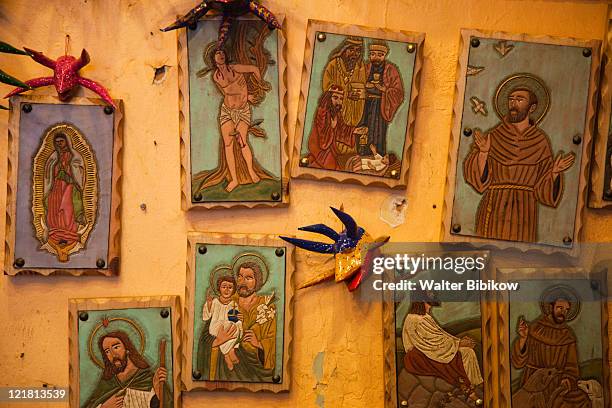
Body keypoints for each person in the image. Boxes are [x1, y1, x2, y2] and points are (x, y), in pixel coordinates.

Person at [463, 85, 575, 242]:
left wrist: (555, 172)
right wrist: (483, 153)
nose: (513, 103)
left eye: (519, 99)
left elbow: (544, 191)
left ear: (532, 107)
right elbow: (477, 180)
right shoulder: (494, 135)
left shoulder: (540, 141)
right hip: (494, 204)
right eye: (511, 99)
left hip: (524, 210)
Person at [196, 47, 274, 194]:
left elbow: (254, 69)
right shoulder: (216, 77)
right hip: (227, 111)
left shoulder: (235, 68)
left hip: (243, 110)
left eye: (222, 52)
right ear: (213, 59)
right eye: (217, 53)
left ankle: (251, 172)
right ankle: (234, 179)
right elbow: (225, 92)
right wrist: (242, 95)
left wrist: (258, 85)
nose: (221, 54)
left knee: (242, 141)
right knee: (228, 144)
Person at [197, 261, 276, 381]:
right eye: (240, 276)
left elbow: (275, 342)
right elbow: (204, 339)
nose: (242, 282)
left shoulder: (267, 306)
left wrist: (259, 344)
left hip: (255, 372)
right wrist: (218, 340)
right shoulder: (226, 300)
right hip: (224, 372)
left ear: (258, 281)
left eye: (248, 278)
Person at [402, 291, 483, 405]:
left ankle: (474, 383)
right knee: (466, 353)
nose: (430, 307)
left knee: (468, 351)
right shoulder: (415, 319)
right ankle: (468, 385)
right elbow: (432, 342)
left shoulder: (424, 317)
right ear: (421, 302)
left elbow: (440, 336)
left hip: (433, 351)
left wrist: (459, 342)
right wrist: (459, 344)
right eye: (428, 303)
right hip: (421, 356)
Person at [511, 293, 591, 407]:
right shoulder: (534, 329)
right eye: (560, 308)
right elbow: (518, 363)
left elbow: (572, 368)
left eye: (566, 310)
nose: (563, 312)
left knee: (583, 401)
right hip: (535, 383)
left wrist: (567, 381)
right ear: (550, 307)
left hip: (558, 384)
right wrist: (523, 338)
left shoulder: (568, 336)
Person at [82, 331, 172, 408]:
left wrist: (158, 390)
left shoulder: (148, 378)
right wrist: (104, 407)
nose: (112, 354)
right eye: (107, 351)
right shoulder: (107, 383)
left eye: (116, 347)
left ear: (127, 348)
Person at [357, 40, 404, 156]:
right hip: (365, 104)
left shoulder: (390, 70)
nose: (376, 57)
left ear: (384, 55)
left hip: (381, 105)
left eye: (379, 55)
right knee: (363, 129)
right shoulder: (366, 67)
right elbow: (357, 82)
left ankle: (377, 156)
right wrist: (364, 86)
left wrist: (384, 89)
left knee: (377, 131)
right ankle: (361, 153)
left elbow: (398, 92)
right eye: (373, 54)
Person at [307, 85, 367, 170]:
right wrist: (332, 127)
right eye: (335, 98)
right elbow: (322, 135)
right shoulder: (322, 112)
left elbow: (342, 129)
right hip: (320, 147)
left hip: (330, 147)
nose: (339, 102)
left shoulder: (337, 114)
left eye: (341, 99)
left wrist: (355, 130)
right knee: (334, 168)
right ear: (328, 98)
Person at [43, 132, 85, 254]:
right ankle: (55, 233)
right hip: (56, 188)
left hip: (69, 188)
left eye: (61, 141)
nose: (59, 144)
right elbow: (48, 175)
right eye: (57, 142)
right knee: (54, 208)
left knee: (67, 209)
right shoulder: (53, 157)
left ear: (67, 141)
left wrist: (68, 177)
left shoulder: (74, 157)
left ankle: (69, 234)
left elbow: (79, 177)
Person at [322, 37, 367, 127]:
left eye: (358, 51)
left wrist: (358, 95)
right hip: (335, 112)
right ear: (344, 49)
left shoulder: (360, 67)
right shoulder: (334, 64)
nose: (354, 54)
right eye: (351, 49)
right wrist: (345, 94)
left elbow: (362, 87)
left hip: (352, 111)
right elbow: (327, 88)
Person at [203, 275, 243, 370]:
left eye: (230, 287)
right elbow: (206, 317)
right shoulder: (215, 302)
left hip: (228, 326)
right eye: (224, 287)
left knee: (238, 325)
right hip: (217, 327)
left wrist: (239, 318)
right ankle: (227, 353)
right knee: (225, 327)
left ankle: (231, 349)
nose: (226, 290)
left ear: (233, 290)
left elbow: (235, 318)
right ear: (219, 288)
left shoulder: (233, 304)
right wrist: (208, 304)